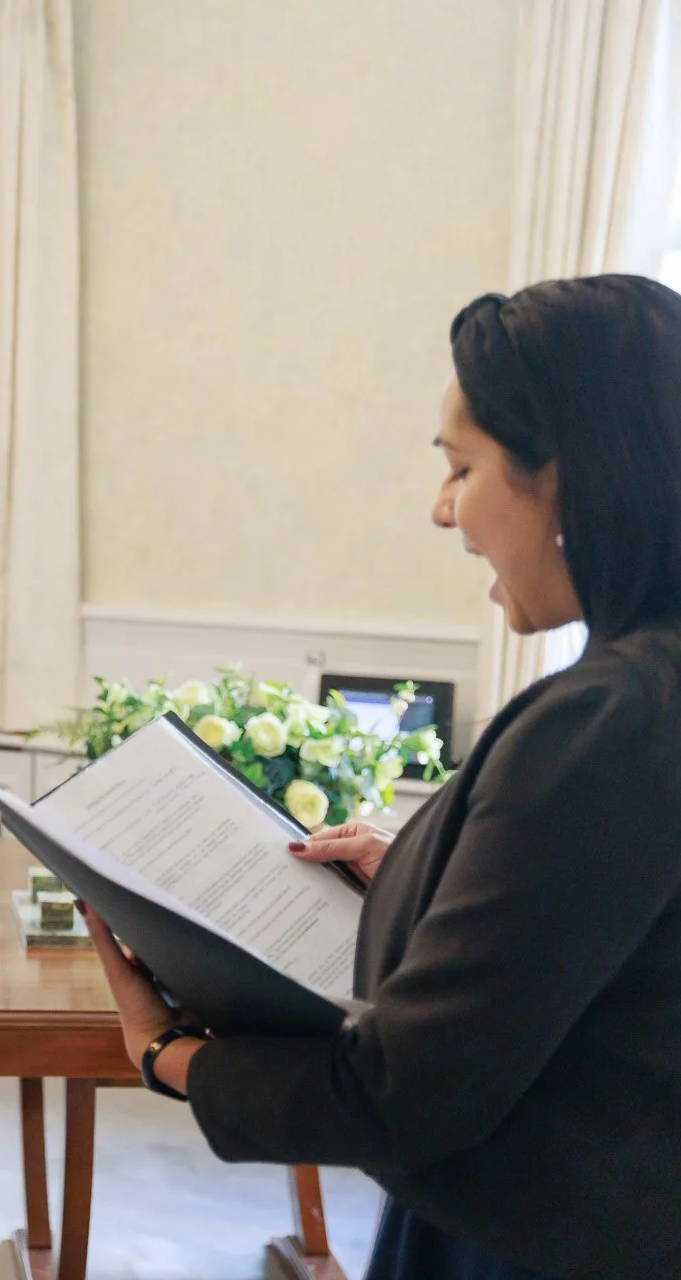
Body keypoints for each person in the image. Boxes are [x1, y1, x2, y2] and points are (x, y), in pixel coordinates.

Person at [86, 275, 681, 1280]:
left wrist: (166, 1052)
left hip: (539, 1235)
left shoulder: (610, 717)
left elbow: (402, 1090)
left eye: (461, 467)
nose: (443, 509)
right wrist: (431, 872)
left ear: (570, 477)